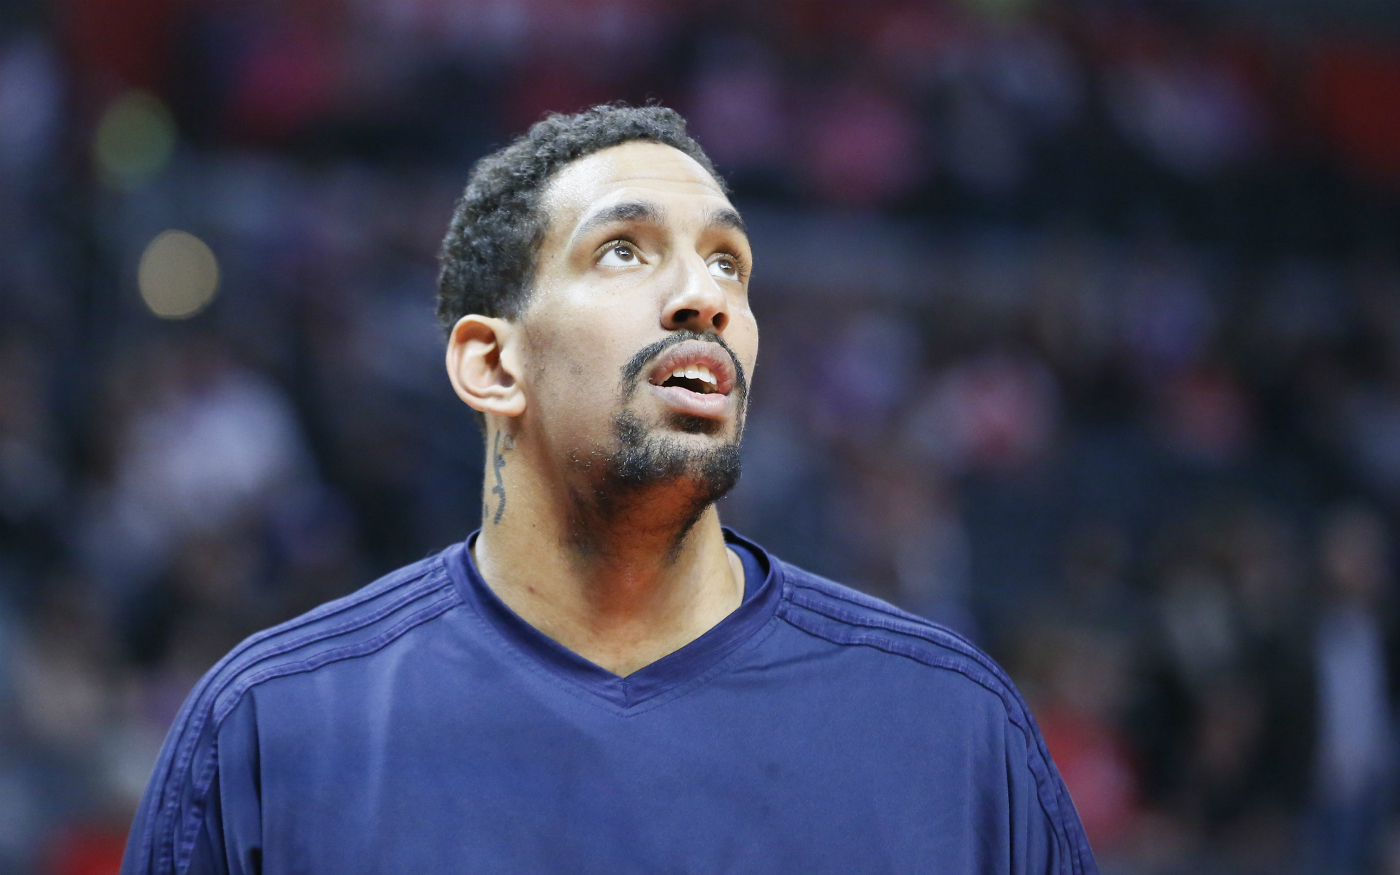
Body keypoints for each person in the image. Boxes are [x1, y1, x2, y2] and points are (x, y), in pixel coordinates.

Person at [121, 104, 1097, 875]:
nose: (704, 296)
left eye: (728, 262)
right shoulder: (273, 727)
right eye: (623, 250)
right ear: (491, 363)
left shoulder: (951, 726)